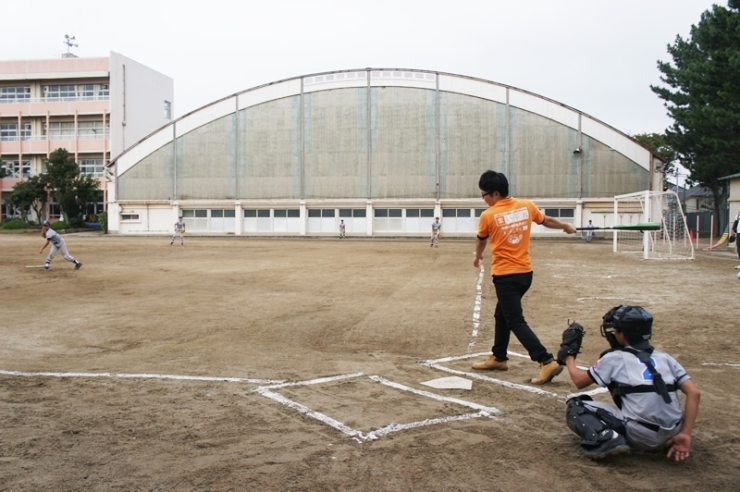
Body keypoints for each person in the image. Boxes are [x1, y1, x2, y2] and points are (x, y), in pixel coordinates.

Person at [472, 170, 576, 383]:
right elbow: (546, 220)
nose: (483, 199)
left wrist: (479, 256)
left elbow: (481, 239)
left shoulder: (488, 216)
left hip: (505, 276)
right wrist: (565, 225)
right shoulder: (527, 205)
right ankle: (499, 357)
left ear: (495, 193)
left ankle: (545, 361)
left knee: (515, 320)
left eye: (484, 195)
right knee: (502, 315)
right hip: (525, 274)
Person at [561, 305, 701, 460]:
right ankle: (677, 437)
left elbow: (579, 381)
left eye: (616, 330)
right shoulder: (665, 358)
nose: (613, 333)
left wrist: (569, 357)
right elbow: (694, 393)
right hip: (674, 434)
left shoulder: (614, 358)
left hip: (640, 436)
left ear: (624, 334)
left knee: (575, 405)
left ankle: (608, 439)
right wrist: (685, 434)